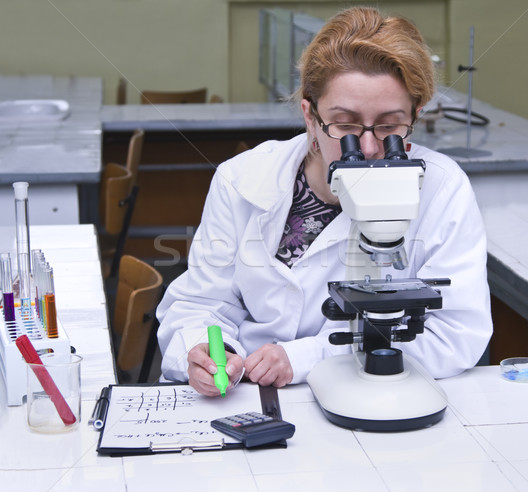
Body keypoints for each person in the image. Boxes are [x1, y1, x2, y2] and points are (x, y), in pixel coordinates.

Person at [156, 6, 493, 397]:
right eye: (345, 125)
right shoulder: (241, 179)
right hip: (244, 392)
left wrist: (303, 357)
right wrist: (204, 351)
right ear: (310, 115)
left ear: (415, 117)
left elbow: (455, 334)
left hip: (373, 391)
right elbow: (200, 303)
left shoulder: (443, 187)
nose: (367, 147)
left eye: (389, 126)